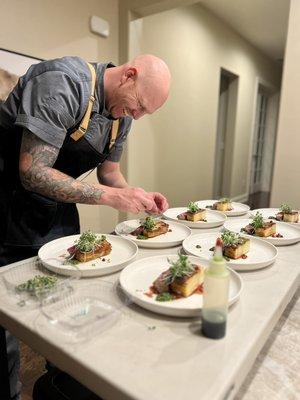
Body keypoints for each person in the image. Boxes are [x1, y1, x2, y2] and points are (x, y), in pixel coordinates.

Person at [0, 54, 171, 399]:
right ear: (129, 75)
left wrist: (135, 195)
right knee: (6, 328)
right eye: (138, 105)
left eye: (145, 113)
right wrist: (110, 198)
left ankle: (59, 388)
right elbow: (33, 172)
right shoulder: (62, 82)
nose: (137, 115)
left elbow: (109, 174)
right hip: (6, 208)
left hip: (55, 213)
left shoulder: (123, 117)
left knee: (68, 305)